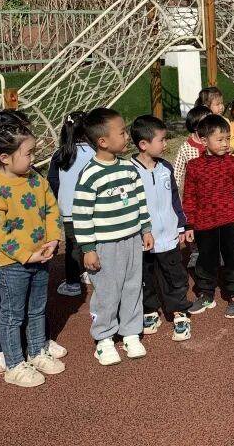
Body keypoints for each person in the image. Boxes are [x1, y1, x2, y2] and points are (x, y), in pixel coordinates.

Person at [0, 110, 66, 375]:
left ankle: (37, 351)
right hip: (13, 264)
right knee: (12, 315)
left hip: (41, 257)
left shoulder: (35, 179)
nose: (33, 158)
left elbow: (51, 208)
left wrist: (53, 238)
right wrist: (25, 255)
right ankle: (14, 364)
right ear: (5, 158)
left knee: (37, 309)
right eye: (28, 153)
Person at [72, 108, 153, 366]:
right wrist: (88, 248)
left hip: (132, 240)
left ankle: (130, 332)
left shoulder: (129, 168)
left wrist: (146, 229)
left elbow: (140, 201)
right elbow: (81, 215)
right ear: (103, 141)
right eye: (122, 132)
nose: (127, 136)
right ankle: (104, 338)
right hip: (105, 245)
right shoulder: (90, 174)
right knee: (107, 292)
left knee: (132, 286)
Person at [182, 114, 234, 319]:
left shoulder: (232, 163)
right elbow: (189, 197)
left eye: (227, 139)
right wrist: (189, 224)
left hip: (230, 222)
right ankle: (206, 293)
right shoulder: (194, 166)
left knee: (233, 259)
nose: (225, 144)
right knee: (205, 260)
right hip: (204, 225)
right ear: (204, 141)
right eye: (220, 139)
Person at [130, 115, 192, 341]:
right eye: (161, 140)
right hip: (143, 238)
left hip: (168, 236)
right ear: (143, 144)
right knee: (145, 277)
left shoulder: (165, 167)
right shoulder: (129, 171)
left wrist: (181, 225)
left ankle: (179, 311)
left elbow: (175, 198)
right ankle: (149, 310)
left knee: (174, 276)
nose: (165, 144)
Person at [47, 110, 96, 297]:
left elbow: (53, 181)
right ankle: (92, 274)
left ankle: (73, 283)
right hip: (93, 208)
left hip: (69, 210)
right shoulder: (96, 153)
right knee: (94, 242)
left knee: (73, 246)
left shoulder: (60, 154)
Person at [173, 104, 210, 270]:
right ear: (196, 126)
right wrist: (176, 197)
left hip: (214, 193)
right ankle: (195, 251)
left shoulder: (213, 143)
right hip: (195, 197)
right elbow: (177, 172)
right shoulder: (186, 148)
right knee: (194, 224)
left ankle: (217, 251)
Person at [195, 86, 234, 153]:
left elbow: (233, 137)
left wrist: (232, 147)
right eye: (217, 104)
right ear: (206, 106)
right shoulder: (204, 123)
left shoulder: (225, 121)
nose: (221, 107)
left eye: (222, 103)